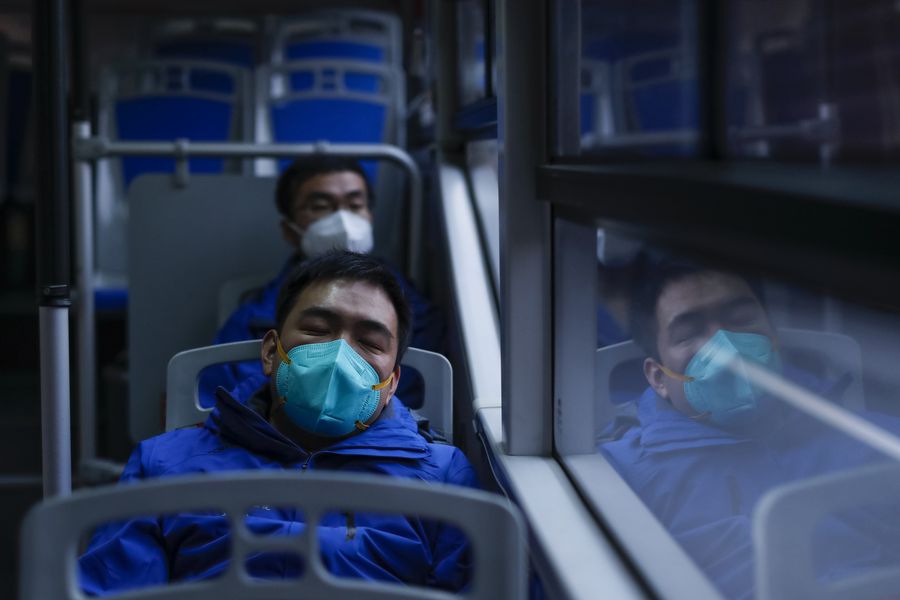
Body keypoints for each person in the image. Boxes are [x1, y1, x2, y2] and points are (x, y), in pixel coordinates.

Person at [80, 252, 476, 594]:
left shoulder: (441, 477)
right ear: (271, 352)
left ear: (391, 385)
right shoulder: (166, 464)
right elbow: (112, 587)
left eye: (370, 343)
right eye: (318, 330)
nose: (338, 354)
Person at [599, 259, 900, 600]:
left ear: (773, 336)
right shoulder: (618, 480)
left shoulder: (869, 439)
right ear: (658, 378)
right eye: (690, 332)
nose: (725, 346)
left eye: (741, 319)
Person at [199, 156, 443, 411]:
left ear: (370, 215)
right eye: (320, 206)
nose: (343, 220)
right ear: (289, 229)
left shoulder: (418, 314)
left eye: (355, 204)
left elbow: (419, 408)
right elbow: (217, 402)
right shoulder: (252, 320)